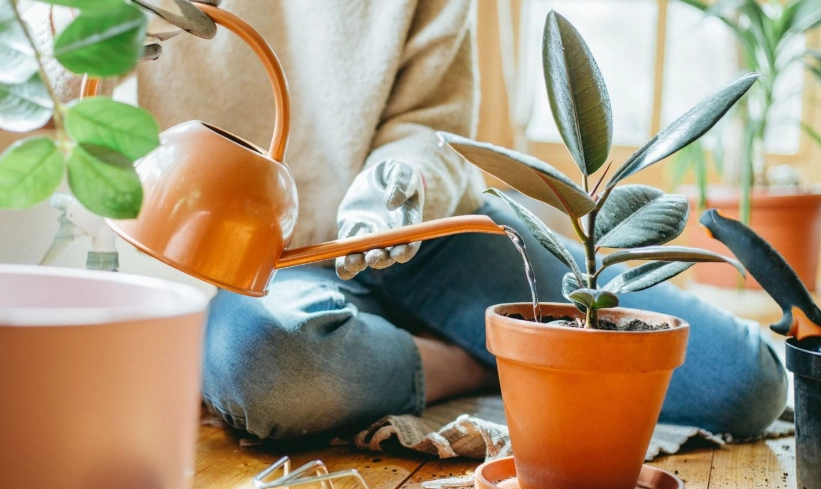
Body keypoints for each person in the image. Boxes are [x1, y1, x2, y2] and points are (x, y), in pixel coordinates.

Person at [47, 0, 788, 442]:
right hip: (250, 254)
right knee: (269, 370)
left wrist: (399, 188)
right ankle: (484, 355)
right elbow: (59, 90)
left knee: (742, 382)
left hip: (419, 227)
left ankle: (478, 337)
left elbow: (432, 122)